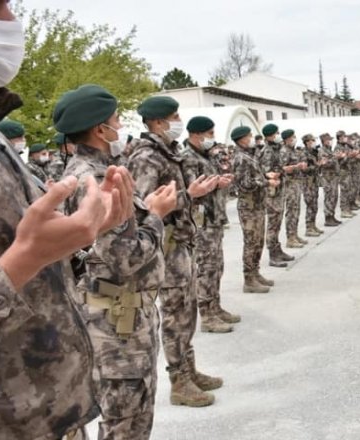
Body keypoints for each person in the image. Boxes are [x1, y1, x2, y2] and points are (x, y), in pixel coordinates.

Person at [0, 3, 132, 436]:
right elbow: (18, 259)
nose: (11, 22)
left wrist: (79, 238)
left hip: (51, 408)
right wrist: (24, 259)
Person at [54, 84, 180, 438]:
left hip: (121, 315)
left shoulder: (90, 170)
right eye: (115, 120)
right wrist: (156, 215)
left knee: (130, 419)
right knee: (125, 423)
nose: (121, 125)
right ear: (100, 130)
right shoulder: (96, 180)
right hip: (115, 323)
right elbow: (124, 257)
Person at [128, 96, 222, 407]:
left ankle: (188, 369)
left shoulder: (167, 152)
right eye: (174, 116)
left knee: (186, 311)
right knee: (174, 314)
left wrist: (194, 194)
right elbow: (144, 206)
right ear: (157, 122)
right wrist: (188, 194)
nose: (179, 120)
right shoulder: (146, 157)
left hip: (180, 244)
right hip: (165, 248)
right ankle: (178, 380)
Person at [181, 116, 240, 333]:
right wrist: (216, 182)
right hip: (201, 222)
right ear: (197, 134)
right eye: (210, 133)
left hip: (214, 219)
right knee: (206, 268)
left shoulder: (204, 155)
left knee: (217, 266)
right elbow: (193, 189)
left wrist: (220, 182)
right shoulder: (188, 158)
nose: (212, 138)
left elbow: (210, 182)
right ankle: (207, 316)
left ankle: (215, 306)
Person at [231, 126, 276, 293]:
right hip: (248, 208)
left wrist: (266, 176)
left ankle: (255, 273)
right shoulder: (240, 158)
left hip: (256, 206)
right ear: (241, 138)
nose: (252, 138)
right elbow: (244, 184)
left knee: (258, 242)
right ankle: (249, 279)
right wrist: (266, 182)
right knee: (251, 243)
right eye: (249, 136)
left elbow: (253, 177)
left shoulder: (248, 155)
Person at [257, 123, 294, 267]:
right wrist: (280, 171)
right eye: (277, 133)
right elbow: (267, 172)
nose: (279, 135)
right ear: (270, 135)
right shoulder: (267, 151)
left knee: (277, 222)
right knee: (273, 223)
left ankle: (278, 250)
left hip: (279, 190)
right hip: (272, 192)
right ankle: (273, 255)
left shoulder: (276, 149)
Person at [280, 129, 309, 248]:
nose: (294, 139)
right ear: (287, 139)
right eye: (292, 137)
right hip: (289, 184)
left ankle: (295, 234)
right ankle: (290, 238)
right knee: (291, 211)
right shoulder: (283, 152)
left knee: (296, 210)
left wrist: (302, 166)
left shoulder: (294, 151)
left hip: (297, 183)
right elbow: (282, 168)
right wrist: (296, 166)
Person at [302, 134, 325, 236]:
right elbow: (304, 169)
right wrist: (316, 165)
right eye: (312, 141)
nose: (314, 142)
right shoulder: (303, 153)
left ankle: (313, 225)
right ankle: (308, 228)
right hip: (308, 182)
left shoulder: (314, 152)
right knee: (310, 205)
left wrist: (319, 164)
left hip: (314, 181)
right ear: (307, 142)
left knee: (314, 205)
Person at [318, 133, 342, 227]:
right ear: (324, 141)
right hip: (327, 178)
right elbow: (325, 163)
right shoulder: (322, 151)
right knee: (329, 197)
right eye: (328, 140)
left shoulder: (329, 150)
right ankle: (328, 218)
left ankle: (332, 216)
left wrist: (335, 157)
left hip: (333, 177)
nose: (330, 141)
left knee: (334, 197)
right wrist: (335, 157)